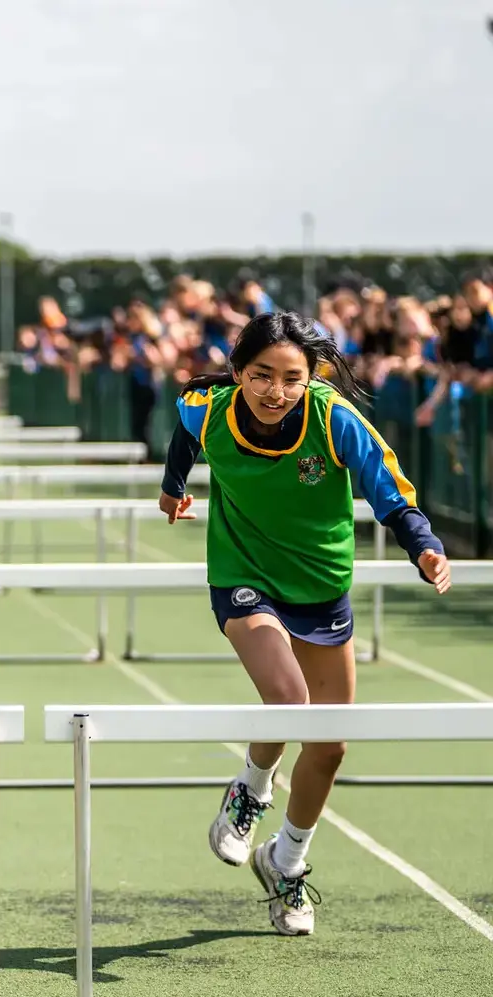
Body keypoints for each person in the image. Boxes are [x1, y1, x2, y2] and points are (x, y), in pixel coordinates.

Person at [159, 311, 452, 937]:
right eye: (262, 375)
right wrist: (173, 486)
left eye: (292, 378)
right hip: (243, 573)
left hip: (320, 587)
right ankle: (250, 791)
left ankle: (286, 861)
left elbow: (388, 486)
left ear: (312, 375)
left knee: (329, 744)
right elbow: (183, 433)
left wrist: (423, 546)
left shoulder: (333, 419)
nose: (276, 391)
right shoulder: (208, 408)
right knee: (288, 699)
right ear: (238, 371)